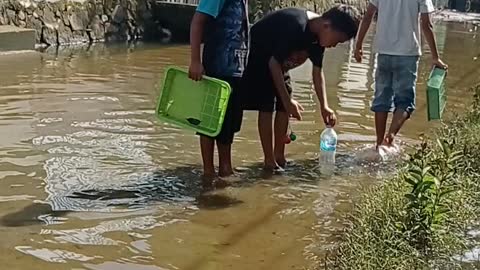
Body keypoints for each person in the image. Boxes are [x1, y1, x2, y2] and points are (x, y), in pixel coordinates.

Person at [241, 5, 360, 171]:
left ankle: (279, 156)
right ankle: (269, 160)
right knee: (267, 104)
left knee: (284, 103)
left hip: (279, 63)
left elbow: (317, 73)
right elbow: (273, 63)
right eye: (337, 40)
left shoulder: (319, 39)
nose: (334, 45)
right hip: (259, 55)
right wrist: (288, 101)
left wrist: (324, 106)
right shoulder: (297, 26)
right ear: (327, 25)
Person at [355, 0, 448, 148]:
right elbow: (427, 25)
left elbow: (367, 16)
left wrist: (358, 44)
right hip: (407, 54)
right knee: (405, 102)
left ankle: (379, 144)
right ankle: (389, 137)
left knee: (381, 100)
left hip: (383, 52)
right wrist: (435, 57)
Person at [188, 0, 249, 180]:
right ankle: (208, 172)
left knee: (228, 123)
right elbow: (198, 21)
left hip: (236, 69)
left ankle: (225, 167)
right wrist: (195, 61)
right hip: (217, 65)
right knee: (210, 121)